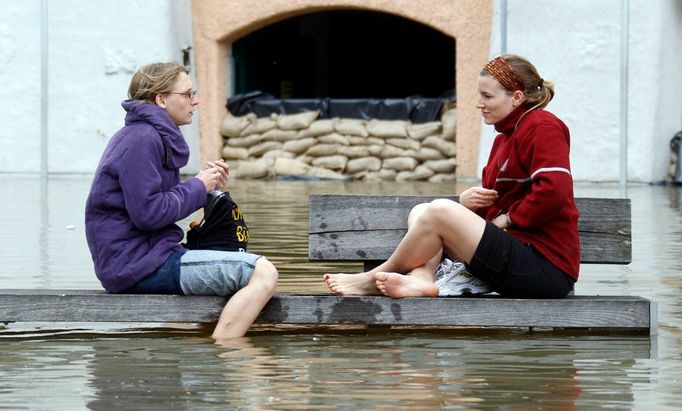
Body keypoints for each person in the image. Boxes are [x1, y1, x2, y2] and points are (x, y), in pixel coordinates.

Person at [324, 54, 579, 299]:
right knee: (423, 210)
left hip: (544, 268)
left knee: (440, 210)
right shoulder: (503, 138)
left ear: (517, 97)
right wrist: (470, 206)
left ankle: (376, 276)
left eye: (487, 96)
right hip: (510, 255)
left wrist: (508, 220)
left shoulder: (542, 126)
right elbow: (499, 203)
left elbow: (554, 190)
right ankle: (422, 278)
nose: (479, 104)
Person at [85, 62, 278, 339]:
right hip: (139, 266)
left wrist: (204, 184)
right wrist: (199, 186)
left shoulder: (147, 136)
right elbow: (149, 213)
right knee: (263, 273)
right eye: (188, 94)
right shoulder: (141, 140)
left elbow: (157, 204)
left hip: (145, 258)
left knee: (241, 264)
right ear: (161, 100)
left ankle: (203, 351)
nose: (195, 101)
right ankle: (225, 355)